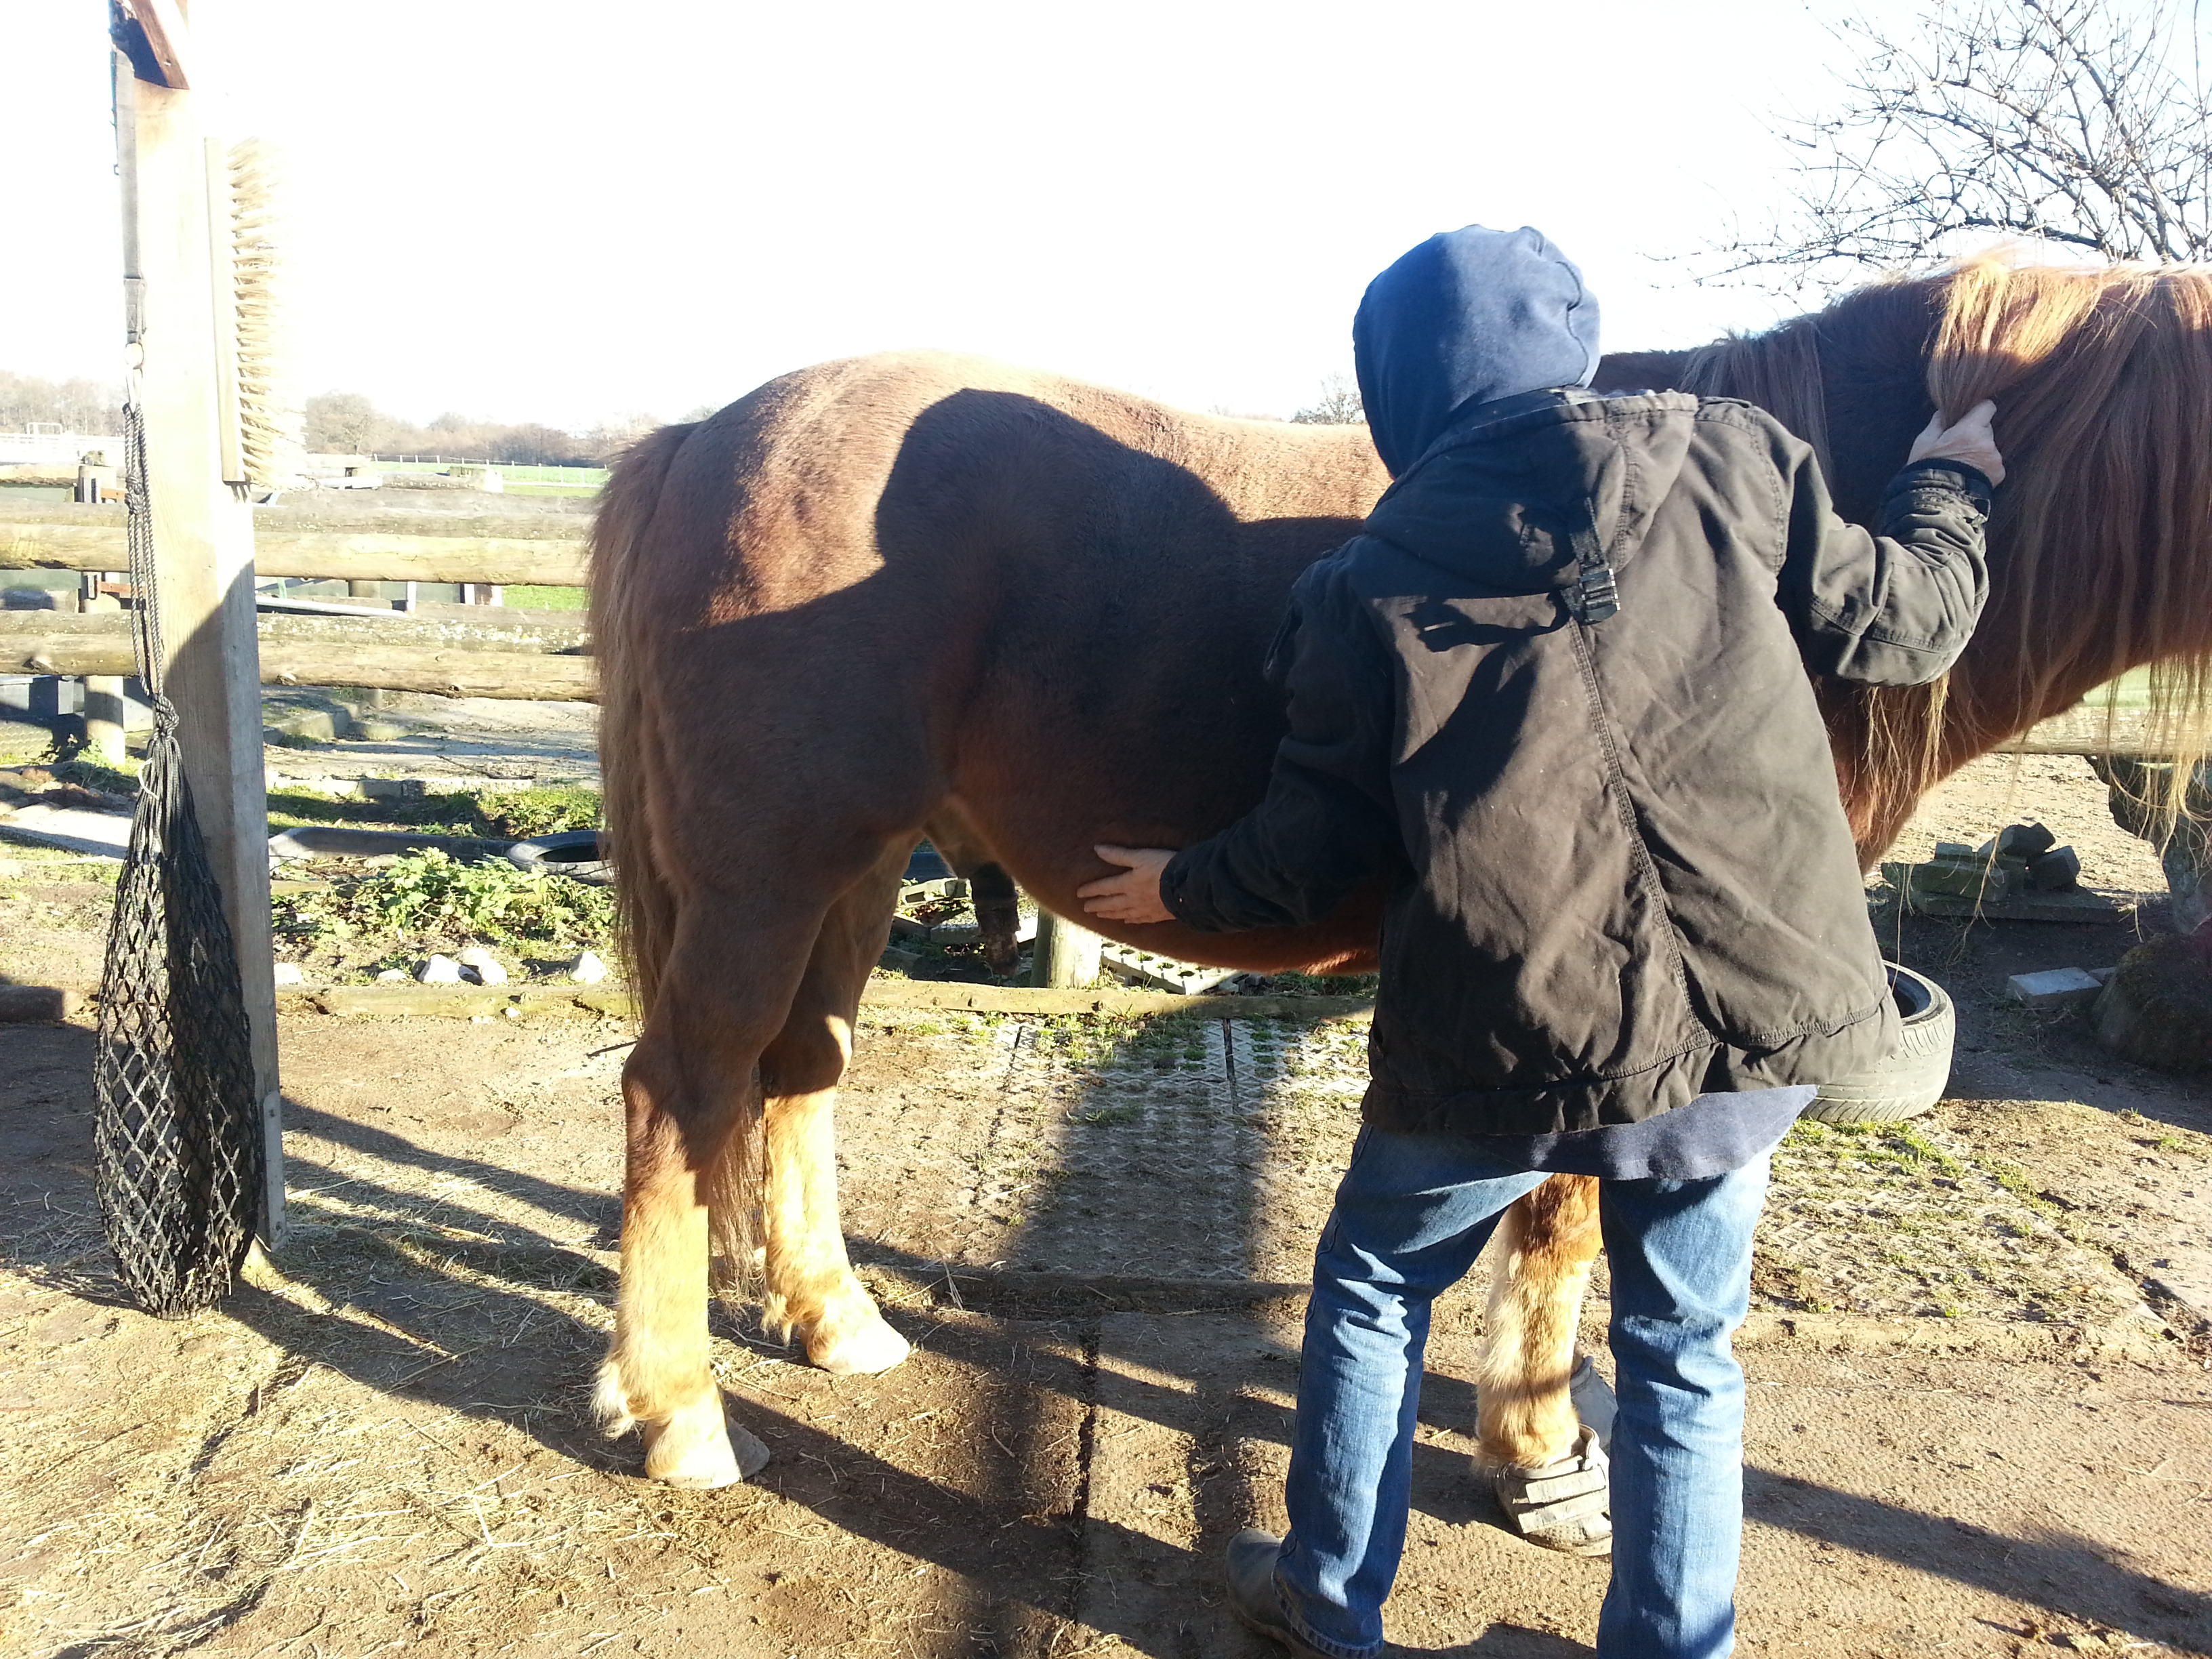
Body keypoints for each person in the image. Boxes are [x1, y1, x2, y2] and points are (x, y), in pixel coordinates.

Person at [1076, 224, 2002, 1659]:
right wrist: (1951, 476)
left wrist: (1176, 888)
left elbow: (1312, 847)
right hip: (1746, 1027)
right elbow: (1912, 622)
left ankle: (1327, 1601)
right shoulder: (1734, 458)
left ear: (1397, 390)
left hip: (1506, 1041)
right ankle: (1670, 1642)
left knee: (1380, 1285)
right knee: (1685, 1350)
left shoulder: (1366, 580)